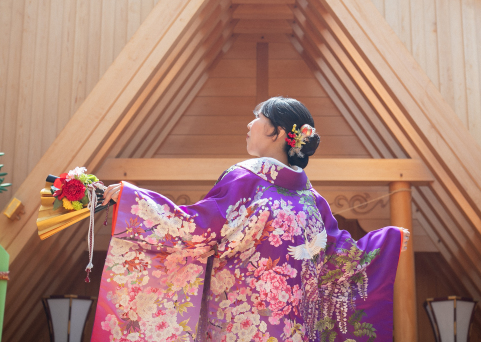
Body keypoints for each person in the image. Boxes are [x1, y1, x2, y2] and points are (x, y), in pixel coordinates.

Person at [92, 97, 408, 342]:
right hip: (239, 325)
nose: (249, 124)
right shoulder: (245, 180)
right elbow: (197, 227)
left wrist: (388, 239)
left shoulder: (314, 201)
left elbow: (340, 259)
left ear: (279, 131)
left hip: (294, 330)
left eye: (257, 118)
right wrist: (134, 199)